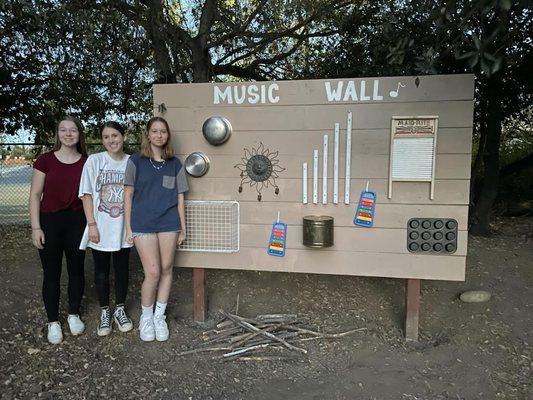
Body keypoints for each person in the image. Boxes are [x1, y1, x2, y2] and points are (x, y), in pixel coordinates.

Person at [124, 116, 188, 342]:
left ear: (167, 135)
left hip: (169, 223)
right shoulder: (135, 161)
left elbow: (180, 198)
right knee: (152, 272)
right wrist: (128, 227)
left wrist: (183, 228)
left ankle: (160, 317)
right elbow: (128, 195)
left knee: (167, 267)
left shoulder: (175, 164)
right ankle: (147, 316)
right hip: (143, 223)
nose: (159, 135)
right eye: (155, 131)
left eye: (163, 131)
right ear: (148, 134)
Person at [29, 116, 88, 344]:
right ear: (58, 134)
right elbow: (35, 195)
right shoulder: (45, 160)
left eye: (73, 130)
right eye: (63, 130)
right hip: (49, 222)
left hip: (77, 222)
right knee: (51, 274)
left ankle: (73, 314)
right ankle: (53, 322)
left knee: (76, 271)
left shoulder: (86, 162)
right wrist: (36, 227)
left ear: (79, 134)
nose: (68, 134)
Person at [79, 121, 134, 337]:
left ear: (124, 136)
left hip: (123, 226)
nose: (111, 140)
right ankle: (105, 311)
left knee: (122, 269)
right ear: (102, 140)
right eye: (106, 137)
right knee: (101, 271)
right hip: (100, 226)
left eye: (115, 135)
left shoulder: (132, 162)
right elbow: (86, 194)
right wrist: (91, 224)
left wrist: (132, 228)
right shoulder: (94, 161)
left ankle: (120, 309)